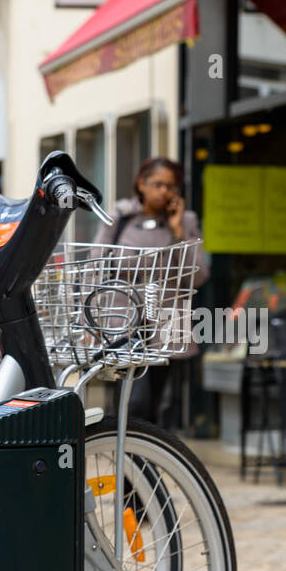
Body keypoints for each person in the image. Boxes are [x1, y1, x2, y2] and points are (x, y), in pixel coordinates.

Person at [94, 156, 210, 425]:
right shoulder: (120, 217)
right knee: (134, 403)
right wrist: (94, 321)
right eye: (157, 184)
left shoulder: (186, 221)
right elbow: (96, 265)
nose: (164, 192)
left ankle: (146, 463)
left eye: (171, 186)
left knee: (158, 405)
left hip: (167, 325)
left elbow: (199, 277)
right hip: (123, 322)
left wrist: (179, 232)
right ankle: (133, 460)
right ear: (141, 184)